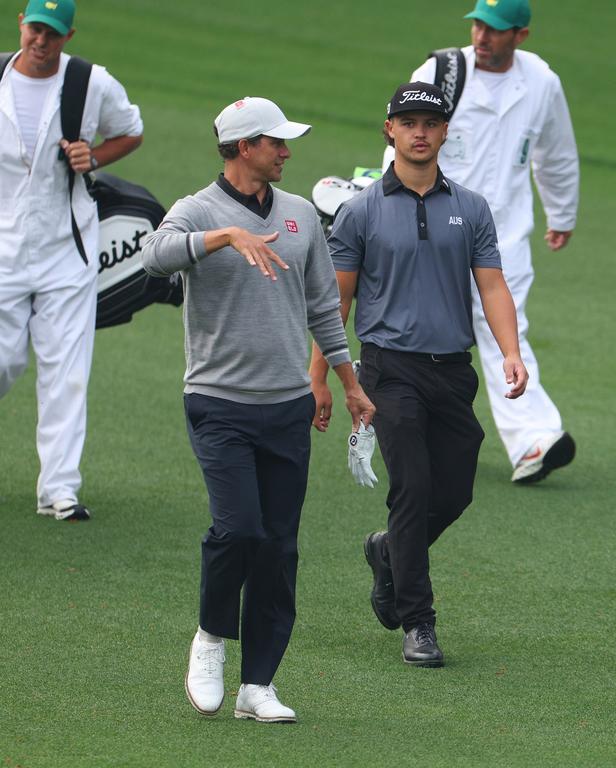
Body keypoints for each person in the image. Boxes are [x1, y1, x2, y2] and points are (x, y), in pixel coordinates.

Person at [141, 97, 374, 722]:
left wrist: (348, 384)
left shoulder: (299, 216)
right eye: (277, 142)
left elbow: (324, 307)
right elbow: (152, 256)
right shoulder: (197, 210)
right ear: (245, 147)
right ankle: (211, 638)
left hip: (287, 406)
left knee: (278, 545)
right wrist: (224, 236)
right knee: (237, 529)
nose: (288, 152)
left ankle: (258, 686)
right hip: (218, 402)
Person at [312, 82, 527, 667]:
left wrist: (511, 351)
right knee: (411, 488)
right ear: (390, 131)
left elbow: (492, 284)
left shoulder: (472, 208)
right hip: (389, 369)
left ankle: (388, 553)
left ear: (444, 132)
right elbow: (338, 304)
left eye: (429, 123)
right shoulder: (361, 212)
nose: (419, 131)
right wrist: (322, 377)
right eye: (407, 122)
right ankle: (419, 623)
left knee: (454, 490)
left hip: (453, 372)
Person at [383, 0, 578, 484]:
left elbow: (555, 152)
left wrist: (562, 212)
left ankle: (535, 438)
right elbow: (401, 139)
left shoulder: (541, 83)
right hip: (427, 225)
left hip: (503, 232)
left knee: (504, 330)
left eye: (494, 29)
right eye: (477, 25)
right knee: (420, 329)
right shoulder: (442, 71)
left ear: (521, 35)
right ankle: (411, 426)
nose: (481, 37)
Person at [0, 0, 143, 521]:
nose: (42, 41)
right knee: (5, 359)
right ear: (20, 22)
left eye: (54, 34)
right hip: (3, 250)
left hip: (69, 248)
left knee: (67, 371)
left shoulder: (90, 81)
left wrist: (94, 157)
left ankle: (59, 490)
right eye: (36, 28)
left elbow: (131, 129)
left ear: (69, 34)